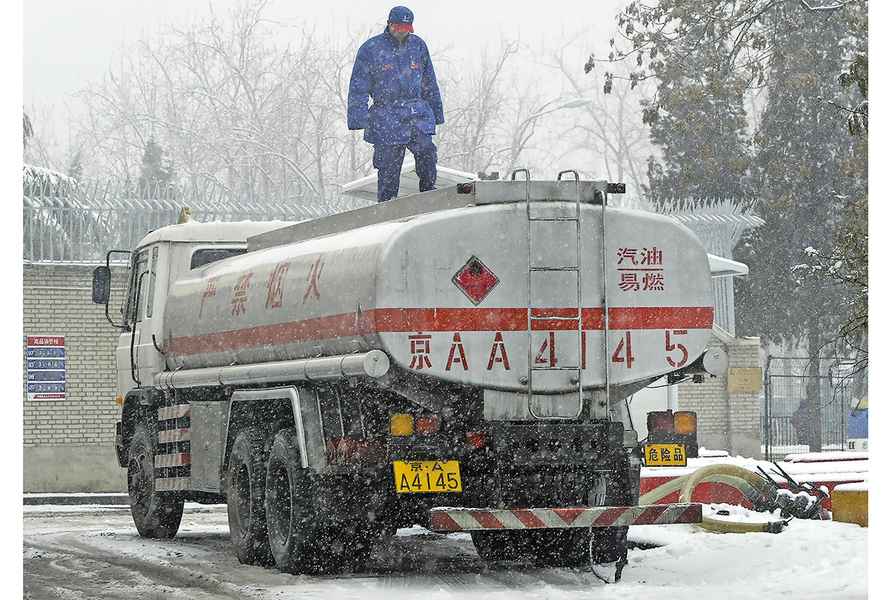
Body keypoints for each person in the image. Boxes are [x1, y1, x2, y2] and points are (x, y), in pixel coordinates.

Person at [347, 6, 444, 202]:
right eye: (398, 27)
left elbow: (429, 82)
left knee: (427, 151)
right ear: (389, 24)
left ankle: (428, 191)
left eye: (406, 28)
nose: (402, 31)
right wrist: (358, 117)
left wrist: (436, 112)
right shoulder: (371, 49)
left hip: (416, 114)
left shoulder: (418, 46)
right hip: (386, 117)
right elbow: (358, 86)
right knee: (389, 165)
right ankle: (388, 202)